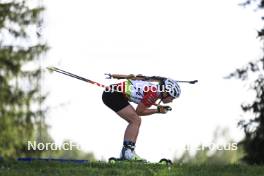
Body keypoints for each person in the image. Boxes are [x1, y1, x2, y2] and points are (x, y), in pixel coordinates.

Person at [102, 78, 181, 161]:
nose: (171, 101)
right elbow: (139, 111)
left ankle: (128, 152)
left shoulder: (154, 91)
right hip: (113, 94)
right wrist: (157, 110)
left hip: (113, 93)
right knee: (135, 120)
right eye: (172, 98)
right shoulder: (153, 94)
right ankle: (127, 152)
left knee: (136, 120)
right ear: (165, 93)